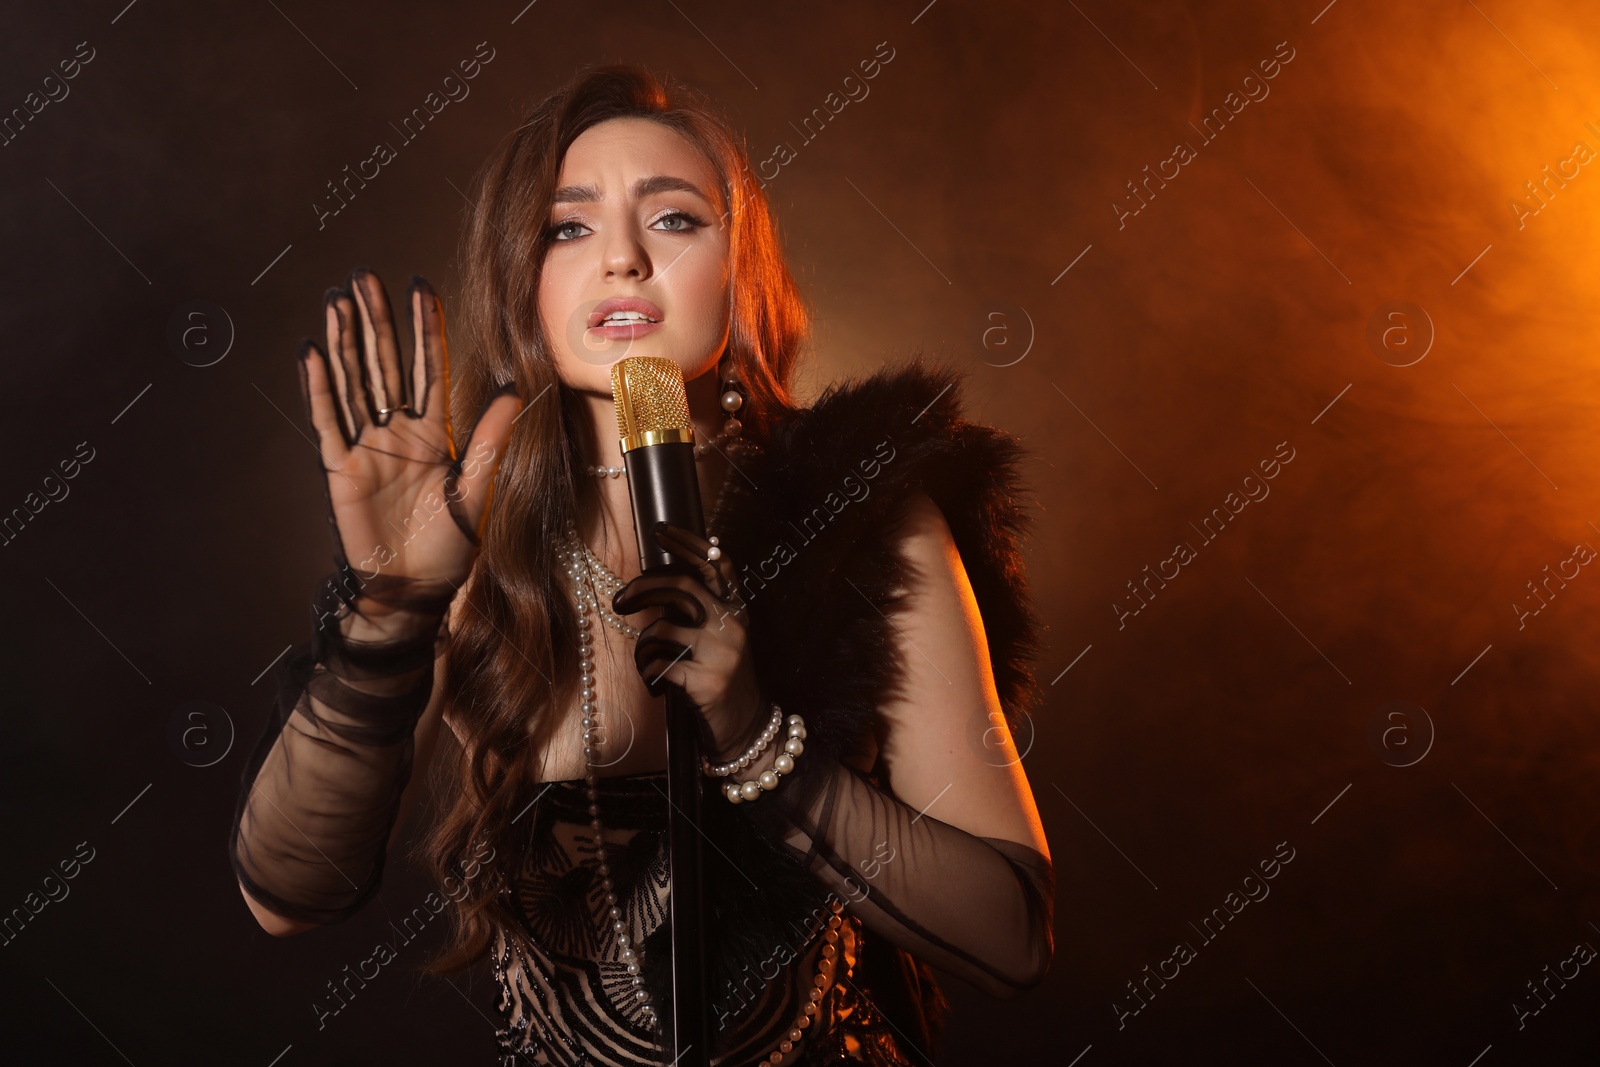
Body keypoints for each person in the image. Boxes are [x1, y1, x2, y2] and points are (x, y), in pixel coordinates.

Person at [228, 64, 1055, 1066]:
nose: (621, 258)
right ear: (522, 283)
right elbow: (286, 894)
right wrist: (395, 605)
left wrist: (756, 738)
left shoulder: (866, 521)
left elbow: (1011, 937)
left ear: (738, 270)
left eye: (672, 220)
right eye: (567, 227)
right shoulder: (475, 539)